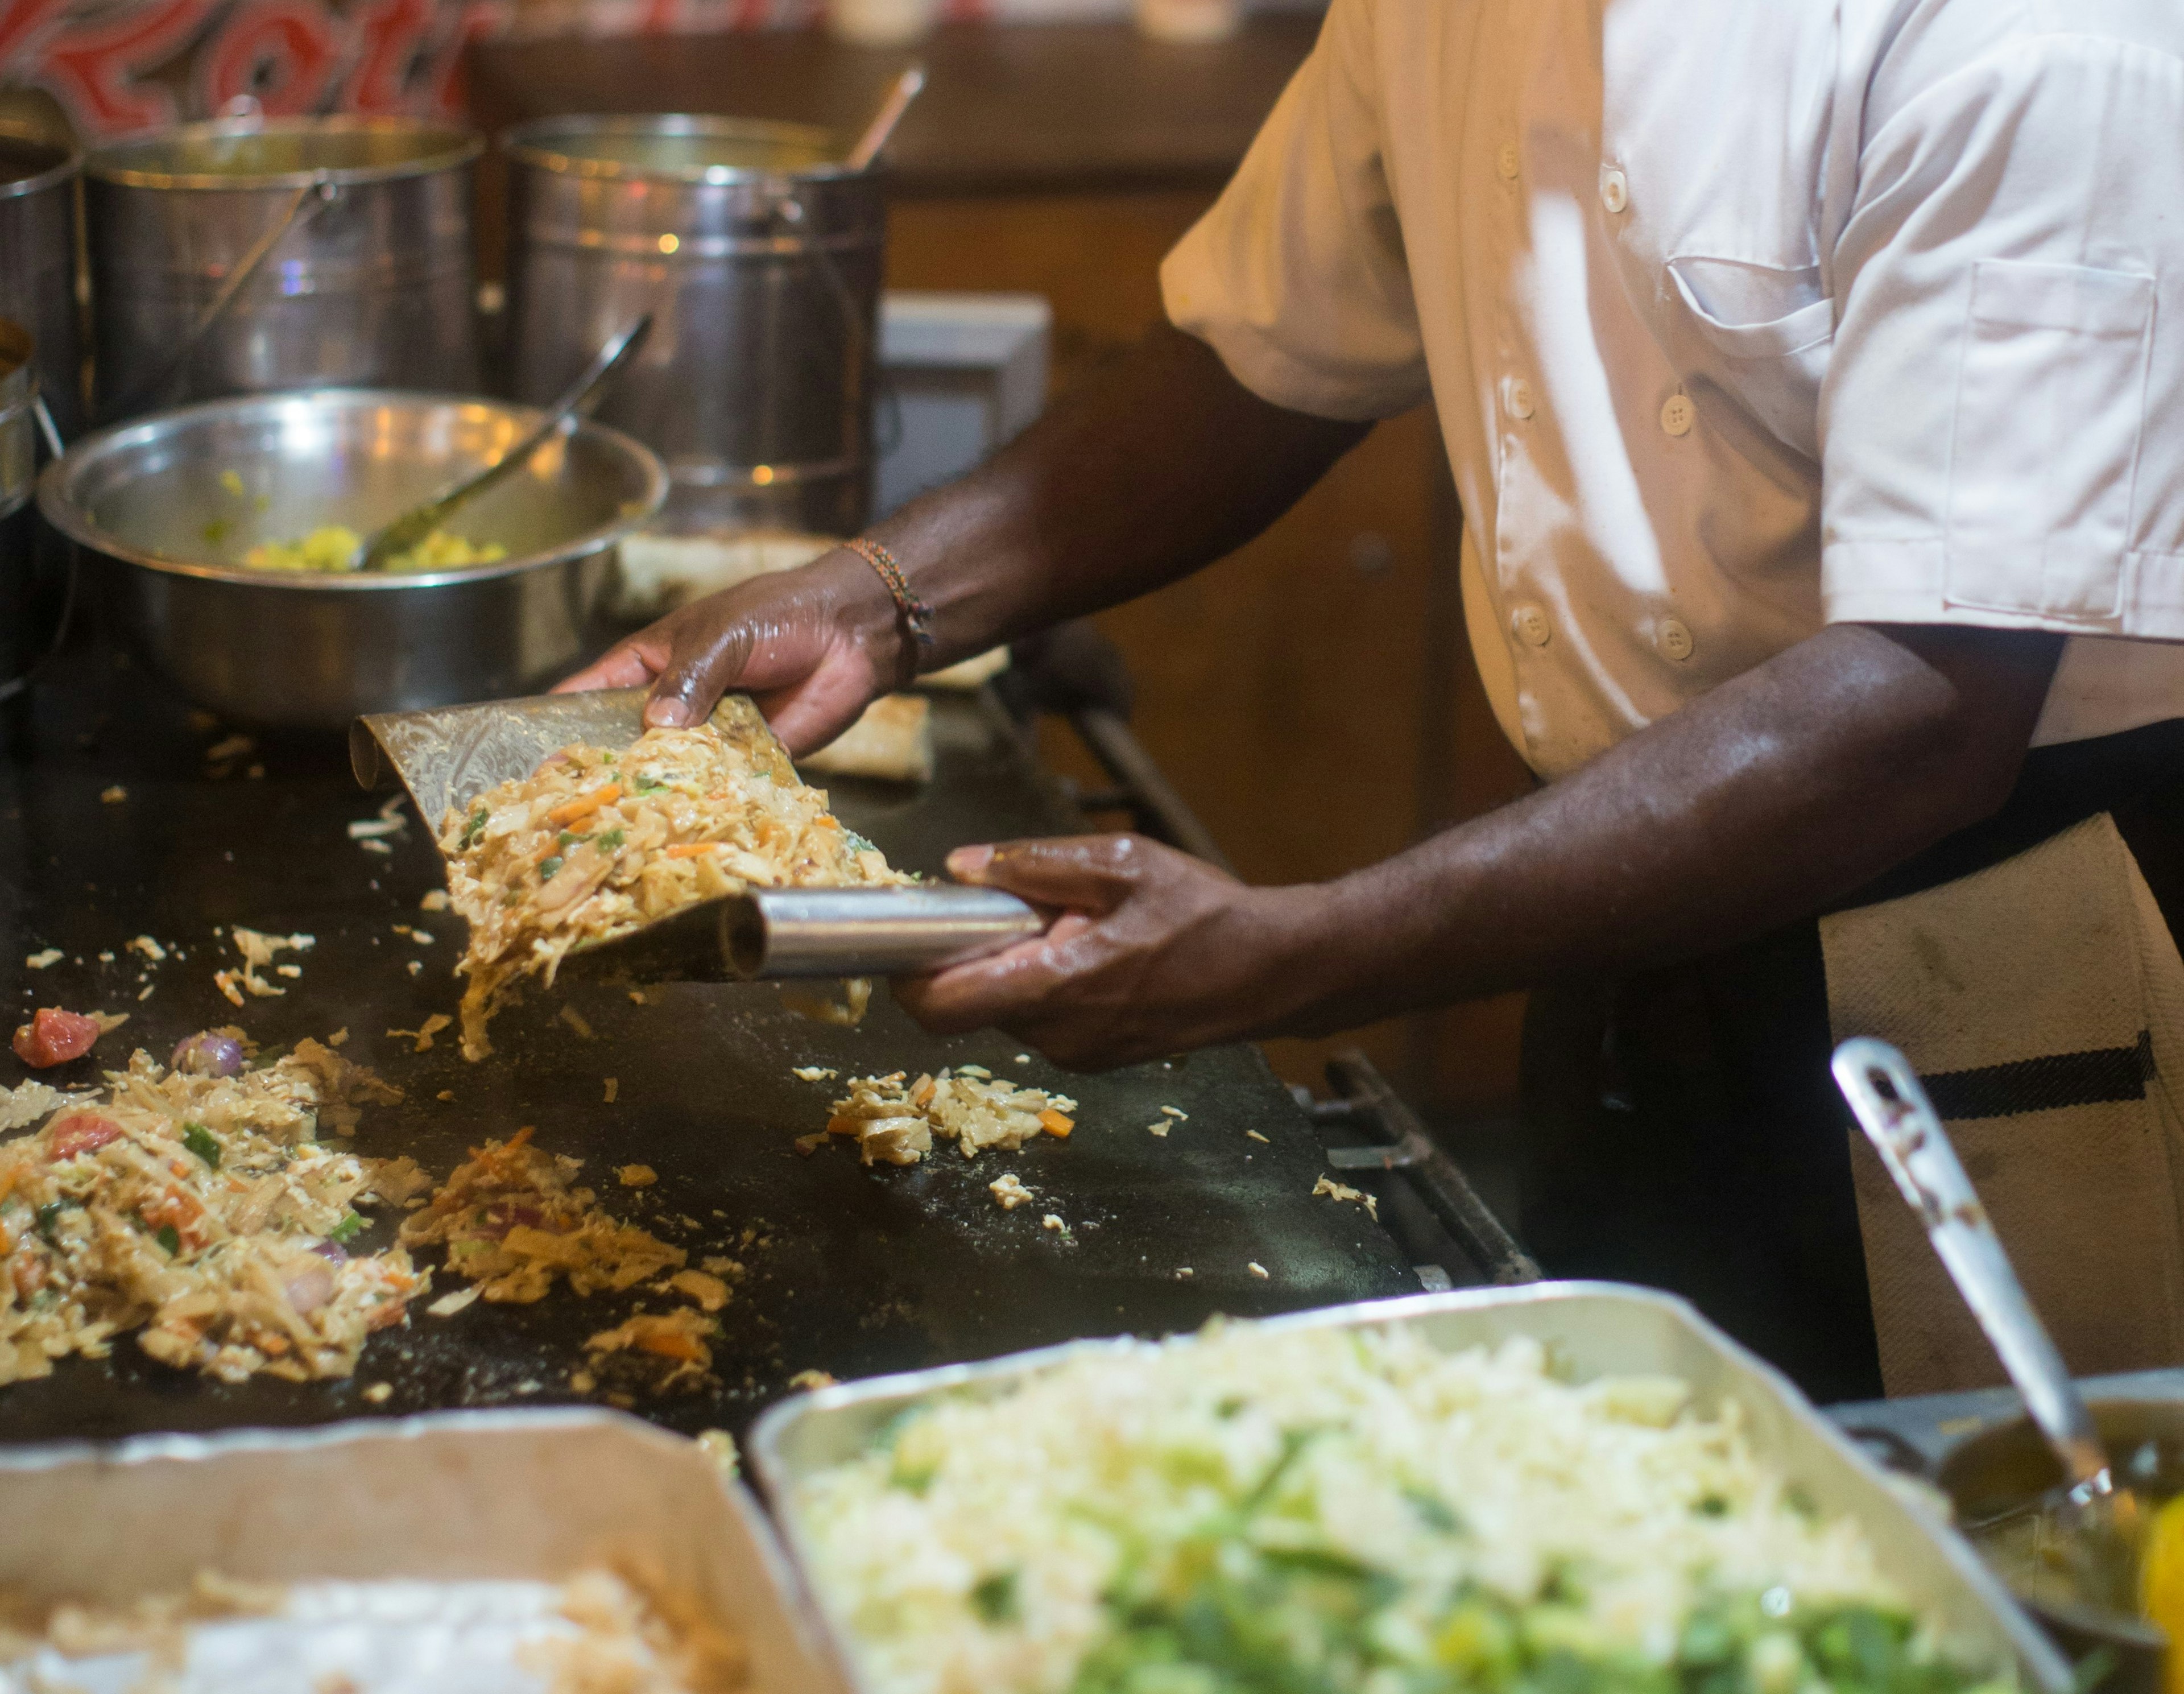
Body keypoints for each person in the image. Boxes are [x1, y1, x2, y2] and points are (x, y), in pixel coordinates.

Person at [564, 0, 2184, 1399]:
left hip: (1998, 961)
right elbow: (1263, 355)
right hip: (1627, 891)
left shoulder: (2031, 38)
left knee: (1988, 1554)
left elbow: (1929, 699)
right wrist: (874, 597)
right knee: (1629, 1502)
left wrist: (1310, 947)